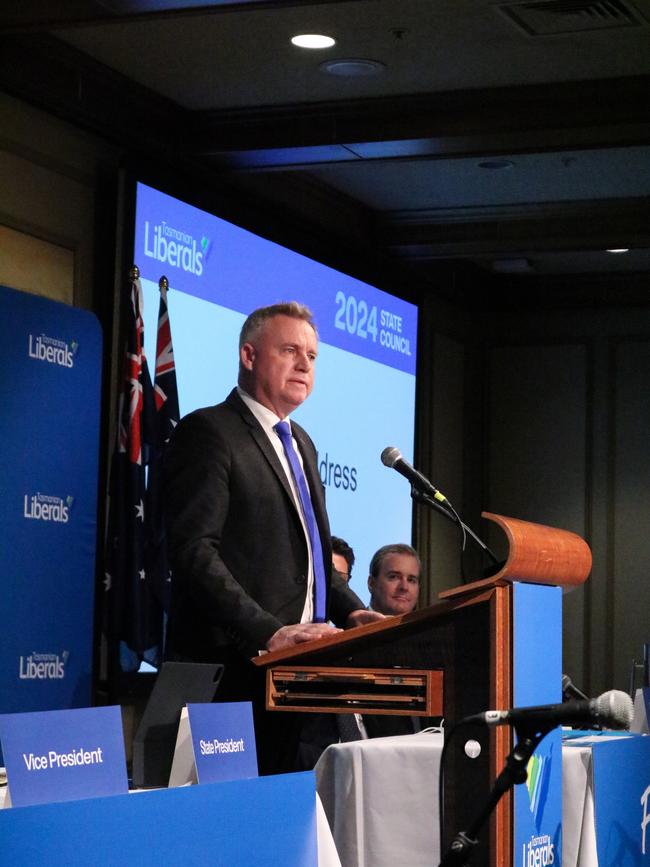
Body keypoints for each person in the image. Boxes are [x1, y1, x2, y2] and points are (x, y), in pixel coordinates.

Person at [163, 301, 380, 774]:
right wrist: (269, 633)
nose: (305, 364)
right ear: (249, 356)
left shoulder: (301, 441)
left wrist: (350, 608)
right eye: (290, 350)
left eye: (313, 356)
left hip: (302, 679)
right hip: (237, 675)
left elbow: (314, 557)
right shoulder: (209, 432)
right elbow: (193, 550)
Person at [368, 543, 421, 616]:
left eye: (411, 580)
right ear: (371, 584)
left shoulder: (430, 627)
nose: (404, 587)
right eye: (394, 577)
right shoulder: (350, 625)